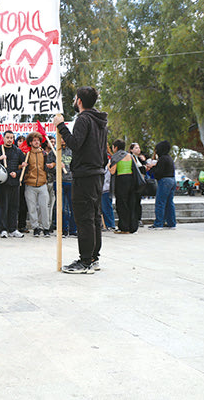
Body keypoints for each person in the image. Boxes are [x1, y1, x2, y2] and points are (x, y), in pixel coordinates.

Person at [53, 86, 108, 274]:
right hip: (97, 173)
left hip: (85, 174)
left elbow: (75, 143)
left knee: (84, 218)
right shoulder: (100, 120)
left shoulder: (83, 119)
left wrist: (61, 126)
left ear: (80, 101)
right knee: (93, 218)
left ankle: (85, 262)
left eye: (75, 98)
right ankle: (93, 258)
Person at [0, 130, 26, 238]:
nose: (9, 139)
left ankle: (13, 229)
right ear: (3, 138)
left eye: (11, 137)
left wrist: (17, 173)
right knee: (4, 206)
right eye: (7, 137)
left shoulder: (18, 151)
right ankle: (3, 229)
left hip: (15, 183)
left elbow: (23, 167)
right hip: (3, 183)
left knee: (14, 206)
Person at [22, 132, 51, 237]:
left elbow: (50, 166)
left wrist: (52, 165)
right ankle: (36, 228)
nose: (36, 142)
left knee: (44, 207)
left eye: (38, 140)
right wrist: (22, 166)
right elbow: (20, 167)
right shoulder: (26, 154)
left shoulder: (44, 154)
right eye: (34, 140)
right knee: (32, 208)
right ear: (30, 142)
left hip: (43, 184)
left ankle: (46, 228)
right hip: (30, 184)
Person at [110, 140, 138, 234]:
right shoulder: (130, 156)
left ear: (116, 147)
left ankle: (124, 227)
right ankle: (132, 227)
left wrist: (108, 166)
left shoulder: (116, 156)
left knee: (122, 204)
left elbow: (112, 171)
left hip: (121, 181)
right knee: (131, 204)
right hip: (131, 181)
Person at [148, 140, 177, 229]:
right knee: (169, 203)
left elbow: (158, 173)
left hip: (164, 181)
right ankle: (171, 223)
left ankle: (158, 223)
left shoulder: (162, 159)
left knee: (160, 202)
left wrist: (151, 169)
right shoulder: (169, 158)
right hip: (172, 180)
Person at [57, 136, 76, 237]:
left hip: (71, 181)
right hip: (60, 182)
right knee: (62, 208)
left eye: (64, 138)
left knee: (73, 207)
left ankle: (73, 230)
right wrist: (55, 166)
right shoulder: (54, 152)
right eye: (60, 138)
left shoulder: (73, 151)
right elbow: (48, 169)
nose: (63, 140)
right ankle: (63, 230)